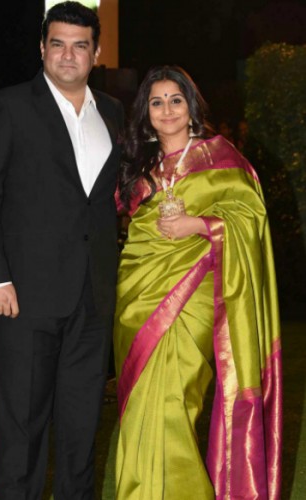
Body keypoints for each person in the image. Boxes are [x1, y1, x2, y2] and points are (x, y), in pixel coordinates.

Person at [0, 2, 124, 497]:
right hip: (22, 297)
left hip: (92, 297)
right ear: (42, 48)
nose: (68, 55)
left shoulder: (113, 113)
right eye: (58, 44)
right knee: (22, 430)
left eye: (80, 45)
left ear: (96, 52)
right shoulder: (9, 106)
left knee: (82, 426)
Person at [114, 65, 281, 499]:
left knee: (173, 403)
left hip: (197, 293)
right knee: (140, 408)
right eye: (156, 102)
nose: (167, 109)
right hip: (138, 292)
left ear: (191, 106)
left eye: (175, 99)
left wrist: (200, 224)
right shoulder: (138, 162)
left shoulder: (221, 157)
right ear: (145, 112)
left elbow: (250, 218)